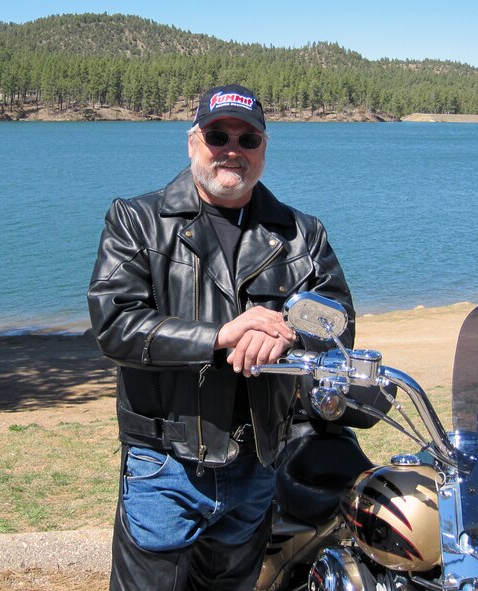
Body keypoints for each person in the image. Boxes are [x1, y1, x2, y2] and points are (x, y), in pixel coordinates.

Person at [87, 83, 354, 590]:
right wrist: (221, 335)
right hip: (165, 463)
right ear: (193, 141)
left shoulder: (302, 234)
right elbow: (114, 325)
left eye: (247, 139)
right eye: (218, 136)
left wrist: (288, 335)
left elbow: (339, 324)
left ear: (264, 148)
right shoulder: (137, 221)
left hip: (257, 463)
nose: (232, 150)